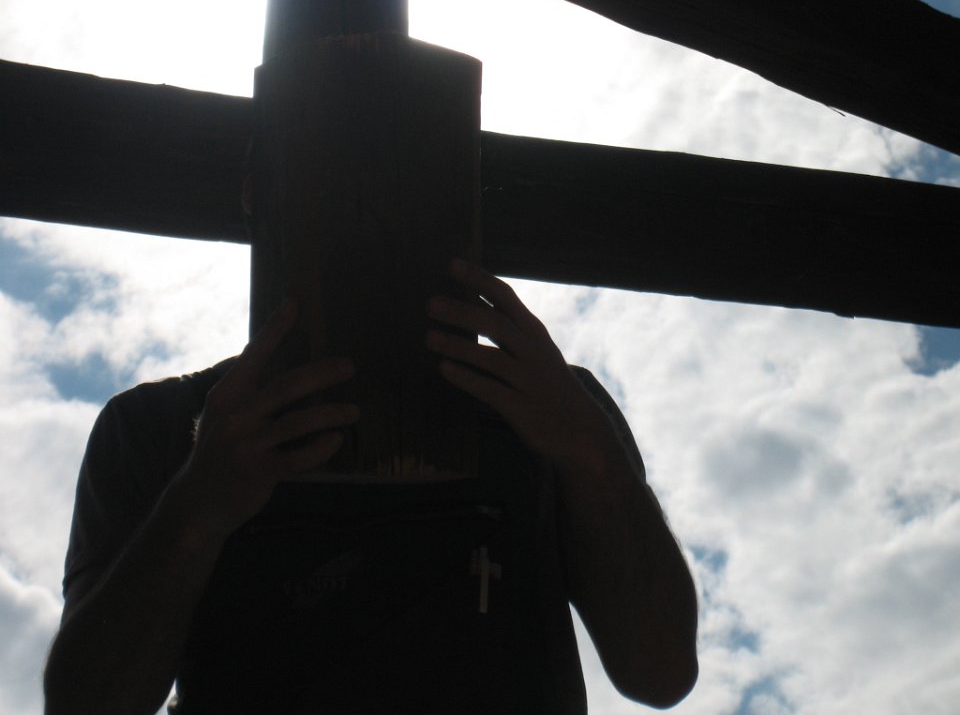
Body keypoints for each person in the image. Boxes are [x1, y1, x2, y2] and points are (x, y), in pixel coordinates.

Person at [43, 258, 699, 714]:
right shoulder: (158, 427)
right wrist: (197, 508)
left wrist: (591, 459)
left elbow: (661, 670)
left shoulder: (552, 406)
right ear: (254, 185)